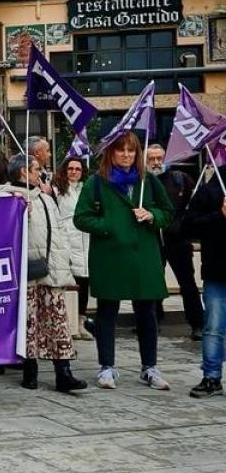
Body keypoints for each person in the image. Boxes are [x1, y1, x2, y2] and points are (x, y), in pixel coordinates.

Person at [74, 132, 174, 391]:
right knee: (107, 312)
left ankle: (149, 367)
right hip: (109, 256)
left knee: (147, 313)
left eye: (131, 150)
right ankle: (107, 367)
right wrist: (109, 225)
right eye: (121, 150)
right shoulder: (96, 183)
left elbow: (168, 212)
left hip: (143, 257)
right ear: (111, 153)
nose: (127, 155)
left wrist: (151, 215)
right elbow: (81, 218)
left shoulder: (148, 181)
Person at [9, 154, 87, 394]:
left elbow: (60, 231)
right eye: (35, 169)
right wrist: (21, 212)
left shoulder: (46, 197)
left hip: (52, 270)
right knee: (29, 322)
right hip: (28, 271)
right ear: (23, 172)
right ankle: (29, 370)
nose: (40, 173)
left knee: (57, 323)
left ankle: (63, 372)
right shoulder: (8, 196)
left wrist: (65, 264)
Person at [146, 144, 204, 339]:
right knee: (153, 282)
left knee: (187, 284)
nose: (156, 162)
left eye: (159, 158)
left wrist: (182, 226)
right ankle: (152, 321)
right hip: (152, 239)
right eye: (151, 159)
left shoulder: (180, 179)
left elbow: (194, 205)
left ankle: (197, 324)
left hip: (178, 240)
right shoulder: (143, 182)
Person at [184, 166, 226, 398]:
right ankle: (211, 377)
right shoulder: (211, 189)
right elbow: (188, 225)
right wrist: (219, 216)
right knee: (213, 327)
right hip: (218, 272)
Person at [55, 156, 92, 339]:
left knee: (84, 283)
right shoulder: (58, 190)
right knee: (69, 283)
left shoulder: (88, 189)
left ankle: (80, 322)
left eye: (77, 169)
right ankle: (66, 323)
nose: (74, 172)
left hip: (85, 242)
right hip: (67, 241)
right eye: (70, 168)